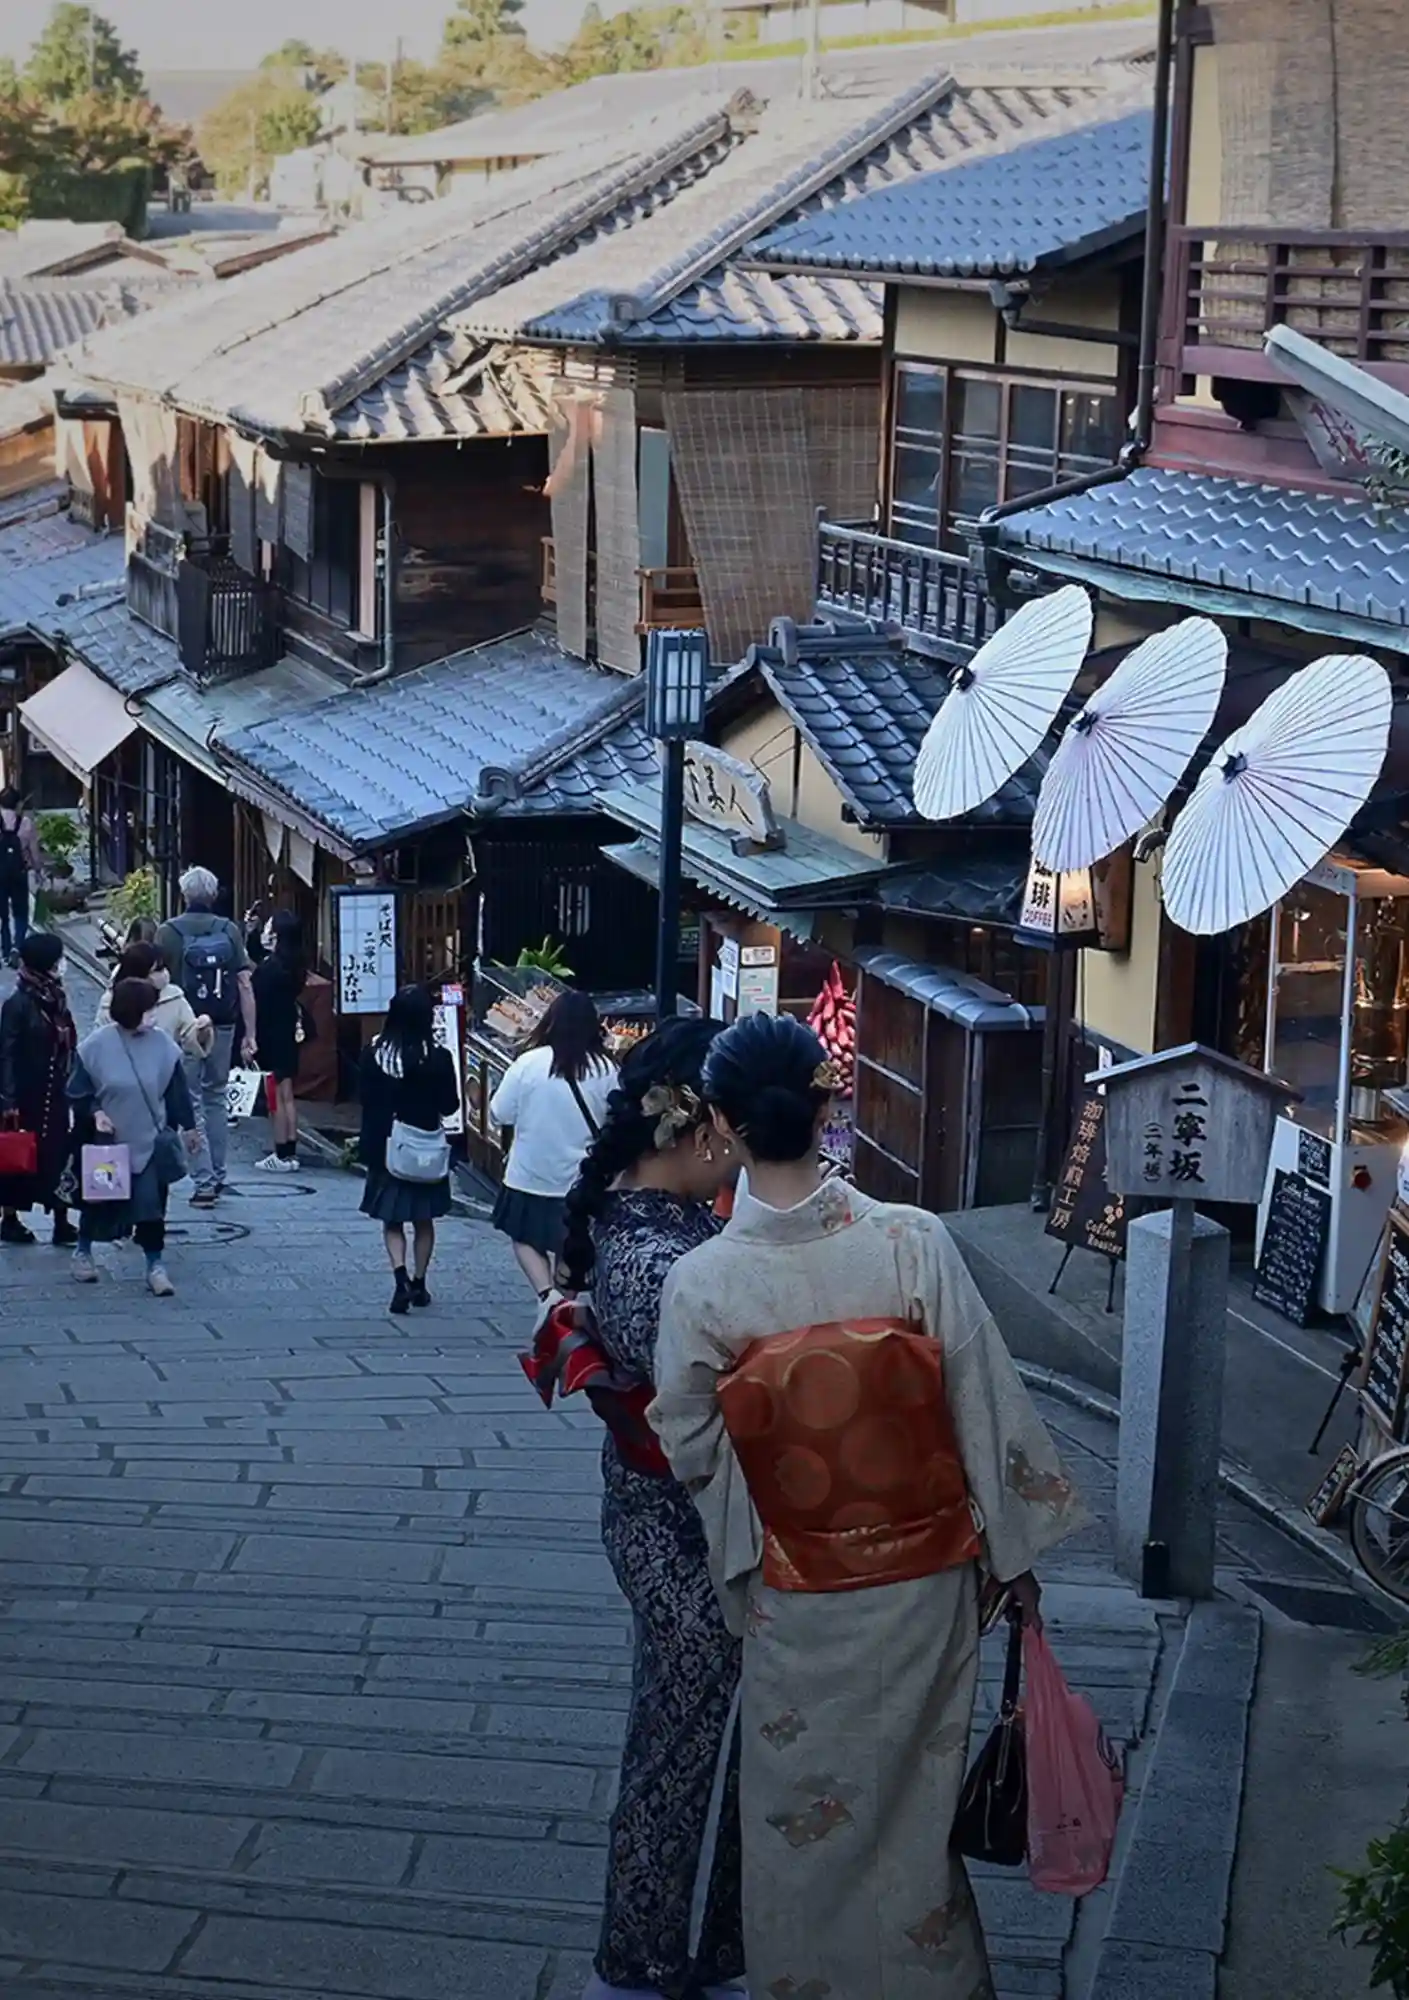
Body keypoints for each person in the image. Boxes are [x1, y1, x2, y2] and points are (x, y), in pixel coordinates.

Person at [651, 1011, 1090, 2000]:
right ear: (825, 1107)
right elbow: (976, 1393)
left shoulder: (704, 1283)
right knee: (906, 1818)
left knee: (796, 1820)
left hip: (798, 1586)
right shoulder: (910, 1242)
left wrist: (761, 1524)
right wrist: (1012, 1558)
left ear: (719, 1120)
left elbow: (689, 1438)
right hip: (924, 1587)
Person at [557, 1017, 744, 2000]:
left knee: (686, 1736)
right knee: (679, 1741)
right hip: (678, 1522)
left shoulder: (644, 1224)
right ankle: (644, 1958)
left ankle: (697, 1948)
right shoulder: (660, 1259)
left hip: (664, 1512)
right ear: (698, 1123)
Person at [67, 976, 200, 1296]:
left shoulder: (164, 1047)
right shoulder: (95, 1046)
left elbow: (177, 1092)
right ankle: (83, 1252)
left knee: (151, 1206)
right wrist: (96, 1112)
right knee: (98, 1202)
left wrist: (190, 1127)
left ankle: (155, 1265)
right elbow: (77, 1091)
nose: (153, 1015)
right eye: (149, 1009)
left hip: (150, 1140)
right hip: (108, 1143)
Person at [489, 989, 616, 1297]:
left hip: (529, 1174)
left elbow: (499, 1112)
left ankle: (546, 1294)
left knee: (523, 1237)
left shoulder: (529, 1064)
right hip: (578, 1179)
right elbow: (613, 1122)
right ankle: (562, 1307)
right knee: (569, 1246)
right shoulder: (606, 1069)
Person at [358, 984, 460, 1314]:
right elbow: (450, 1105)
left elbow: (366, 1100)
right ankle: (419, 1282)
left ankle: (399, 1277)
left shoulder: (373, 1055)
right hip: (425, 1149)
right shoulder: (438, 1058)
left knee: (392, 1220)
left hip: (385, 1149)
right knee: (423, 1219)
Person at [157, 867, 256, 1204]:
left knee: (190, 1098)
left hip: (185, 1026)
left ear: (184, 895)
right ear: (213, 895)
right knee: (216, 1095)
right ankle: (218, 1172)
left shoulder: (168, 932)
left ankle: (202, 1180)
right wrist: (250, 1033)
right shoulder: (229, 930)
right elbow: (244, 982)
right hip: (224, 1023)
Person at [0, 932, 79, 1247]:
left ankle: (61, 1219)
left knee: (58, 1154)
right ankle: (9, 1218)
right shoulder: (18, 1004)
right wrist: (7, 1099)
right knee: (16, 1156)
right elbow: (5, 1052)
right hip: (25, 1094)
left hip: (55, 1090)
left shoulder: (55, 997)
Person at [251, 911, 309, 1174]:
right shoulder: (294, 965)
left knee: (275, 1096)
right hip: (287, 1032)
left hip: (270, 1035)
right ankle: (290, 1151)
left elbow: (255, 993)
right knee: (287, 1095)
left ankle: (280, 1152)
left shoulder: (271, 968)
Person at [97, 942, 216, 1066]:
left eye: (164, 967)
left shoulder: (173, 997)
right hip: (120, 1073)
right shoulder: (111, 1002)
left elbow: (190, 1037)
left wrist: (202, 1030)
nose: (164, 973)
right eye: (157, 970)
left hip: (163, 1074)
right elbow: (100, 1044)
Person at [0, 786, 41, 968]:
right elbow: (34, 853)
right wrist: (38, 871)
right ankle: (17, 946)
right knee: (21, 913)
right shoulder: (25, 823)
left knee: (2, 915)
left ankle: (5, 949)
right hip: (19, 873)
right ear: (17, 804)